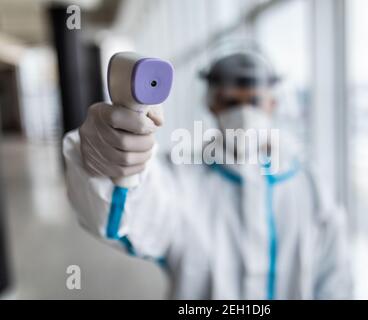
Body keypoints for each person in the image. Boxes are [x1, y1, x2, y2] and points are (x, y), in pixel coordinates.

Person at [63, 51, 353, 299]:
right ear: (211, 104)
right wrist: (111, 167)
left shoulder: (309, 186)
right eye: (230, 102)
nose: (244, 112)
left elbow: (335, 279)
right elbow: (141, 211)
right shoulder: (181, 176)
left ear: (272, 104)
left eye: (254, 100)